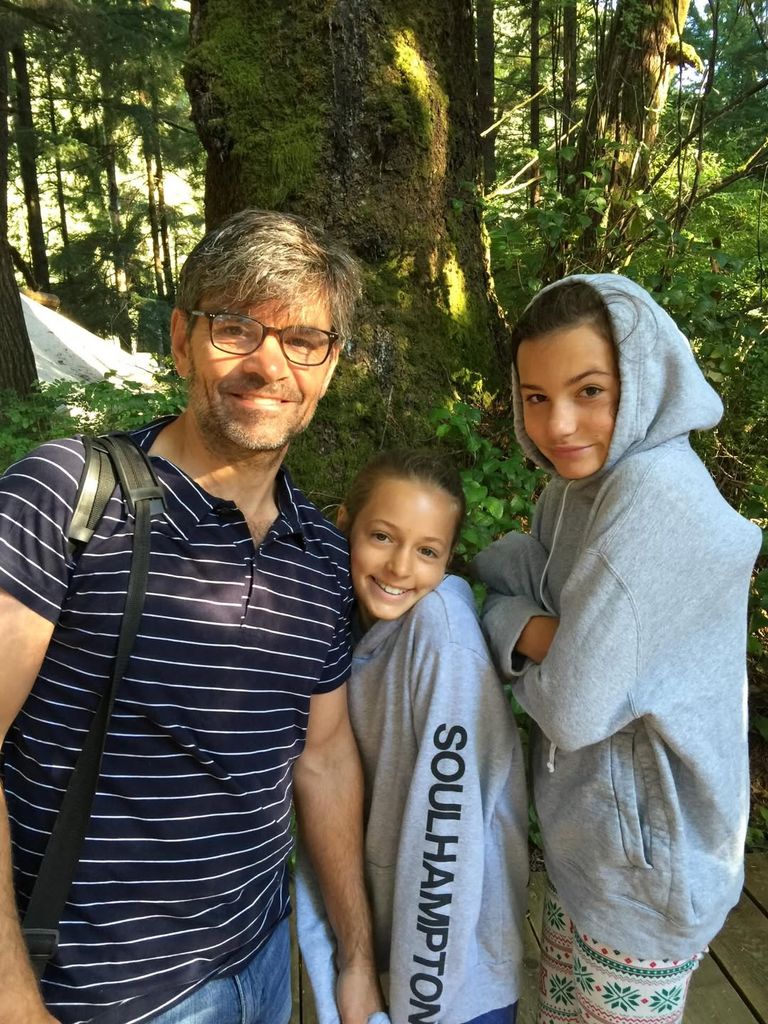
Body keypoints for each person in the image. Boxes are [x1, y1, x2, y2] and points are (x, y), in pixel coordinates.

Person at [0, 209, 384, 1024]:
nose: (268, 362)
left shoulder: (319, 554)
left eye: (303, 340)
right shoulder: (66, 495)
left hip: (263, 968)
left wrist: (354, 959)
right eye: (236, 328)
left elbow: (323, 757)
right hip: (98, 997)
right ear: (181, 339)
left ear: (330, 366)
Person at [471, 274, 763, 1024]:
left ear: (640, 377)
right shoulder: (571, 489)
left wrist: (516, 623)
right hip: (589, 852)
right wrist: (538, 621)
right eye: (536, 397)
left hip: (649, 874)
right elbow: (514, 568)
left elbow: (571, 704)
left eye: (590, 391)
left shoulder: (656, 498)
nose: (559, 424)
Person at [297, 449, 529, 1024]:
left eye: (427, 551)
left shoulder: (439, 639)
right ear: (344, 522)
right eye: (382, 536)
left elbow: (445, 844)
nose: (401, 567)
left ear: (448, 560)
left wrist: (423, 998)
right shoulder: (340, 622)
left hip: (450, 975)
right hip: (391, 941)